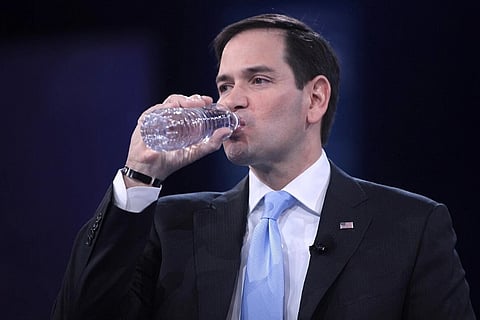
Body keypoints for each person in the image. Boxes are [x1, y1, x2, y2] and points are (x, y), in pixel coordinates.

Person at [51, 13, 475, 320]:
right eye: (224, 85)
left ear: (315, 100)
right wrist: (141, 175)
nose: (231, 100)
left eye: (257, 80)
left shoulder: (410, 226)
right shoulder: (171, 224)